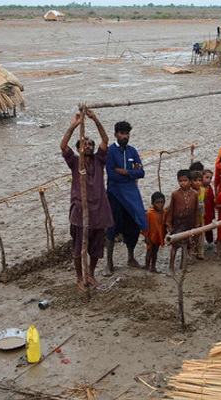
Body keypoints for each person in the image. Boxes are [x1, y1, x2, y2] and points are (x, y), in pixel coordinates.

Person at [60, 110, 113, 290]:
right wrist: (74, 126)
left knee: (97, 246)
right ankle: (79, 278)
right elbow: (63, 145)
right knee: (78, 246)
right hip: (80, 209)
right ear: (79, 148)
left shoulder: (99, 160)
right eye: (85, 144)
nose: (89, 146)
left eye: (91, 144)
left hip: (99, 210)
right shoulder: (75, 162)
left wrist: (95, 119)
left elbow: (105, 140)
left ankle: (90, 274)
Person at [104, 120, 148, 276]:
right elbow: (112, 174)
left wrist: (127, 172)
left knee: (135, 224)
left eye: (127, 133)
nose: (124, 136)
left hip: (131, 193)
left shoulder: (132, 151)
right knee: (112, 226)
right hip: (115, 195)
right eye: (122, 133)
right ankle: (109, 262)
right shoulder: (110, 152)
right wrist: (130, 172)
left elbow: (141, 172)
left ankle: (131, 257)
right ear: (115, 134)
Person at [165, 170, 199, 278]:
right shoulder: (175, 194)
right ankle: (171, 267)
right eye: (180, 181)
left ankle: (183, 266)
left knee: (186, 246)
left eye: (185, 180)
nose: (183, 183)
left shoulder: (194, 194)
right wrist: (169, 224)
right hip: (178, 223)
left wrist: (197, 223)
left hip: (188, 223)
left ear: (189, 181)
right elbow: (171, 209)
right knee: (175, 246)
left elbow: (197, 210)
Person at [141, 192, 166, 274]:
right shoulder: (150, 213)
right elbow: (145, 226)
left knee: (155, 252)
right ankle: (147, 267)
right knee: (149, 252)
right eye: (157, 203)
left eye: (162, 202)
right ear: (153, 203)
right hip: (151, 236)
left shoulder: (164, 212)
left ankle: (153, 267)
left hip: (159, 236)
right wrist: (146, 236)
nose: (160, 204)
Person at [190, 170, 206, 260]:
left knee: (201, 237)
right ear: (191, 182)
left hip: (201, 217)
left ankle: (200, 253)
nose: (198, 182)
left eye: (200, 180)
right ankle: (190, 255)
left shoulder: (203, 190)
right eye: (195, 180)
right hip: (192, 219)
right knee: (192, 238)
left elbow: (203, 201)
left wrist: (204, 213)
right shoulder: (190, 192)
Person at [202, 169, 215, 249]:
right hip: (200, 211)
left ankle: (210, 242)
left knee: (209, 226)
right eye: (207, 177)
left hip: (208, 210)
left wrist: (213, 213)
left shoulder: (210, 189)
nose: (209, 180)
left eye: (210, 178)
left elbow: (212, 202)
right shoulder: (197, 188)